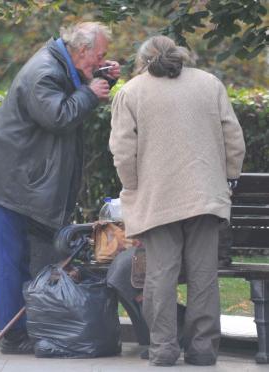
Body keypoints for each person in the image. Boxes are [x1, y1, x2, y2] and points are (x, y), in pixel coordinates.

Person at [0, 22, 120, 354]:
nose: (101, 60)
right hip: (6, 183)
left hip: (21, 180)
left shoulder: (60, 65)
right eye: (100, 55)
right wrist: (90, 91)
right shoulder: (44, 71)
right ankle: (11, 335)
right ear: (81, 50)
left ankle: (25, 328)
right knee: (8, 263)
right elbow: (59, 116)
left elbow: (71, 96)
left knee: (29, 257)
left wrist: (101, 79)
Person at [109, 35, 245, 366]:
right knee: (204, 274)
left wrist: (133, 187)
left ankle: (164, 348)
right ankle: (202, 349)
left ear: (143, 60)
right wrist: (228, 177)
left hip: (157, 197)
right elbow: (234, 138)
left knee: (160, 274)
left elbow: (123, 152)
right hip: (205, 194)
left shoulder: (132, 92)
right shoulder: (209, 84)